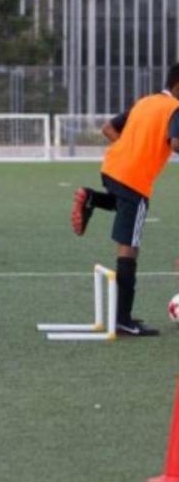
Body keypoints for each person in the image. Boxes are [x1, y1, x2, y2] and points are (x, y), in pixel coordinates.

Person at [71, 63, 179, 337]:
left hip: (112, 168)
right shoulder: (175, 108)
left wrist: (130, 150)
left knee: (120, 204)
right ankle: (122, 319)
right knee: (129, 248)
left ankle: (92, 198)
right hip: (135, 180)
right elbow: (176, 143)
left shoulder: (146, 102)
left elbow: (108, 128)